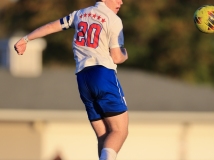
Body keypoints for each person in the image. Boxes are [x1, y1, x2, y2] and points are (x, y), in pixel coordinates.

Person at [14, 0, 129, 160]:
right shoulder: (113, 20)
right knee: (119, 131)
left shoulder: (79, 14)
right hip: (102, 74)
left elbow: (50, 27)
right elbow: (117, 57)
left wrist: (26, 39)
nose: (121, 2)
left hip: (83, 79)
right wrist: (125, 53)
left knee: (103, 135)